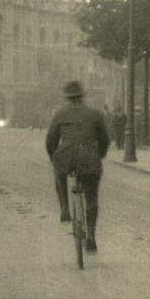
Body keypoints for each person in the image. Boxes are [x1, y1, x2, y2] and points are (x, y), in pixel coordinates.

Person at [46, 80, 110, 252]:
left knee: (58, 173)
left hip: (66, 156)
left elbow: (50, 140)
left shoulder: (59, 114)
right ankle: (91, 237)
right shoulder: (95, 114)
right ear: (83, 96)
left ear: (67, 97)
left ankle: (65, 209)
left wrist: (54, 157)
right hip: (89, 157)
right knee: (92, 197)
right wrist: (100, 154)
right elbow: (104, 139)